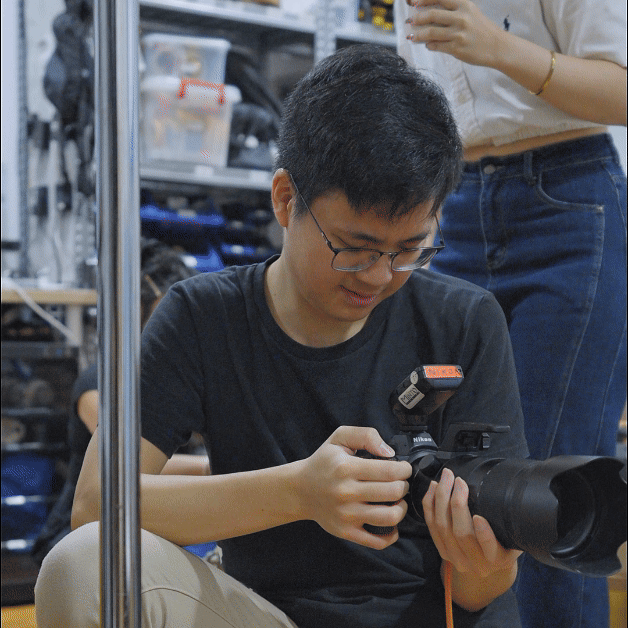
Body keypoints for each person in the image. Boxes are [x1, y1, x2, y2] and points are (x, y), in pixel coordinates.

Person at [35, 45, 530, 628]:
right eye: (355, 248)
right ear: (285, 199)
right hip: (260, 614)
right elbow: (94, 507)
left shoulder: (463, 321)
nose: (378, 275)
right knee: (83, 565)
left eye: (409, 251)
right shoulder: (203, 315)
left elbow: (483, 594)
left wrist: (484, 565)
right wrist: (299, 492)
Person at [395, 2, 627, 627]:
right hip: (454, 202)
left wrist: (498, 49)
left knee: (553, 492)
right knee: (449, 477)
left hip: (569, 198)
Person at [31, 238, 207, 566]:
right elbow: (129, 457)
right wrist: (213, 468)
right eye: (164, 316)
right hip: (79, 534)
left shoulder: (184, 379)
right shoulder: (96, 386)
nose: (176, 328)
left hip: (149, 524)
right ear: (136, 318)